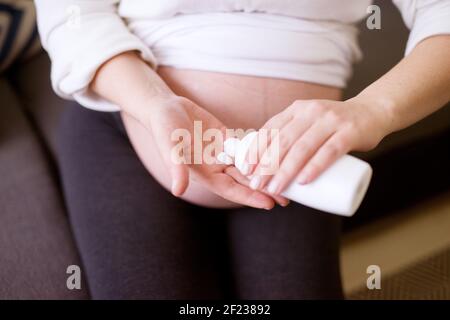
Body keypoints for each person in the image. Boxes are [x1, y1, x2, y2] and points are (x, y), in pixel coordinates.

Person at [34, 0, 450, 299]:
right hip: (128, 122)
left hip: (297, 167)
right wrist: (154, 104)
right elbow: (73, 13)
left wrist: (374, 108)